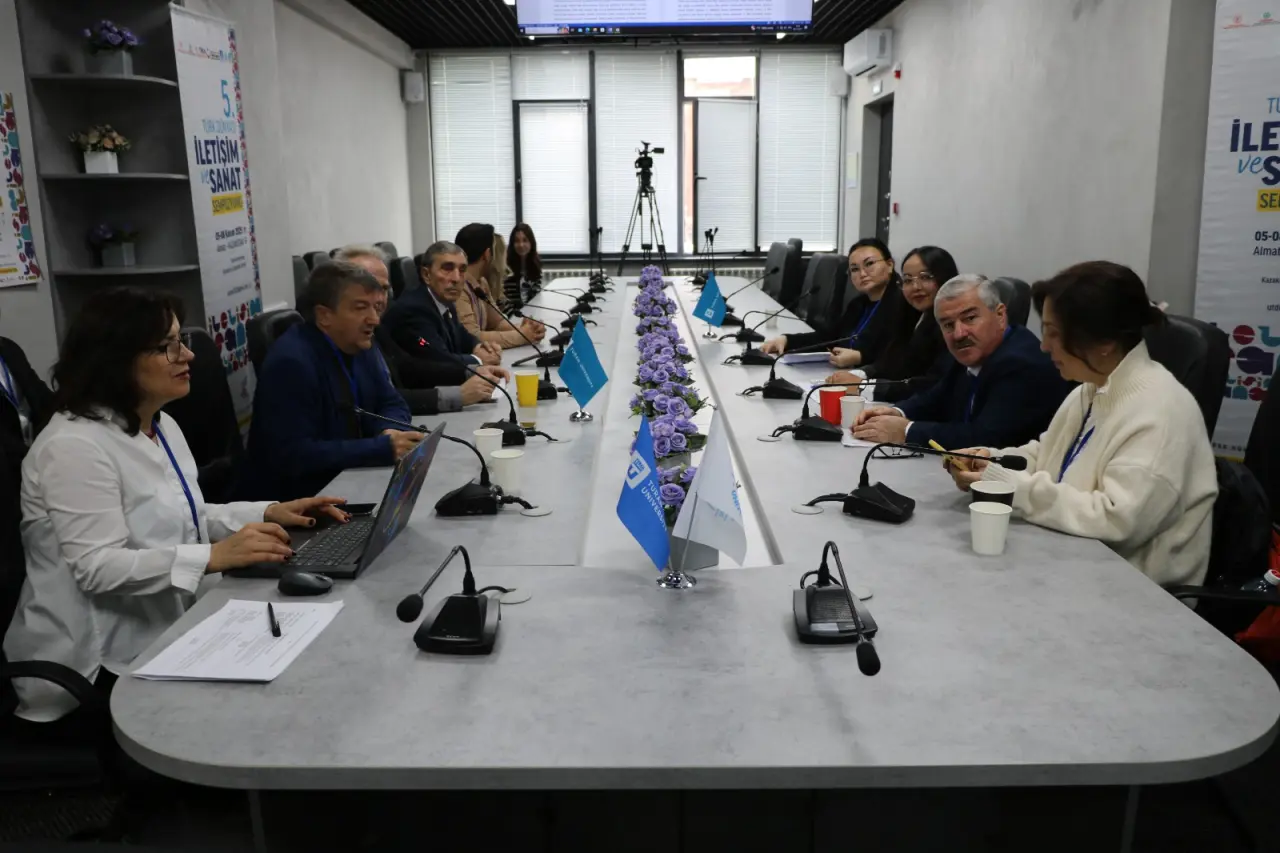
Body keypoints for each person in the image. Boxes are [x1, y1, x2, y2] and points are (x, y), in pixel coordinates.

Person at [3, 288, 345, 725]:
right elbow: (97, 567)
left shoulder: (157, 424)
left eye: (180, 341)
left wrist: (268, 511)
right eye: (168, 346)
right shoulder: (73, 446)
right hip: (95, 663)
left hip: (167, 626)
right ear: (116, 358)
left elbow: (185, 514)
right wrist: (213, 557)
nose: (188, 355)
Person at [944, 262, 1218, 588]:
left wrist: (1012, 486)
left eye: (1054, 333)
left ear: (1103, 341)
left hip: (1131, 593)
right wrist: (992, 462)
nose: (1044, 346)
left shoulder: (1161, 411)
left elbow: (1116, 520)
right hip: (1070, 564)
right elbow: (1048, 452)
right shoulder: (1092, 387)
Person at [238, 262, 422, 502]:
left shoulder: (360, 345)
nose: (374, 320)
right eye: (360, 308)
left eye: (376, 308)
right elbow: (292, 454)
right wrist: (380, 448)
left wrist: (388, 430)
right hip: (300, 501)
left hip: (350, 480)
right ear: (324, 315)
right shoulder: (291, 363)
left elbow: (392, 401)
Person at [853, 274, 1072, 448]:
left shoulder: (1022, 363)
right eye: (948, 325)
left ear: (1000, 315)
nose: (959, 333)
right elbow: (937, 398)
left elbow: (987, 437)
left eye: (970, 318)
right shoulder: (972, 351)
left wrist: (906, 430)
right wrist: (897, 412)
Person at [333, 244, 509, 415]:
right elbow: (377, 400)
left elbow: (408, 367)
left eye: (384, 289)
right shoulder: (411, 310)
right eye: (367, 290)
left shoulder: (376, 328)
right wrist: (460, 394)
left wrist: (473, 370)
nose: (379, 300)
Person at [761, 238, 915, 374]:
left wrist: (861, 358)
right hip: (842, 373)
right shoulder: (858, 304)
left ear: (889, 265)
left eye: (869, 264)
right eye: (855, 269)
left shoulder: (904, 303)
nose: (862, 273)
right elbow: (829, 338)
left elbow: (903, 357)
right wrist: (787, 340)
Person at [827, 245, 956, 403]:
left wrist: (862, 387)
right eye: (908, 280)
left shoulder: (951, 326)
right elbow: (894, 360)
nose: (916, 287)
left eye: (925, 277)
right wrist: (860, 374)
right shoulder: (913, 313)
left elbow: (930, 386)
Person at [381, 241, 503, 368]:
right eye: (447, 269)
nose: (456, 278)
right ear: (426, 275)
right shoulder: (413, 310)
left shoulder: (444, 301)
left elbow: (461, 335)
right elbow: (438, 358)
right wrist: (479, 359)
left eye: (462, 270)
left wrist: (480, 347)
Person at [453, 223, 546, 350]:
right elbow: (473, 336)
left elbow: (497, 322)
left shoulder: (481, 282)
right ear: (487, 254)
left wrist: (526, 328)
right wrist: (523, 335)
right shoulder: (458, 287)